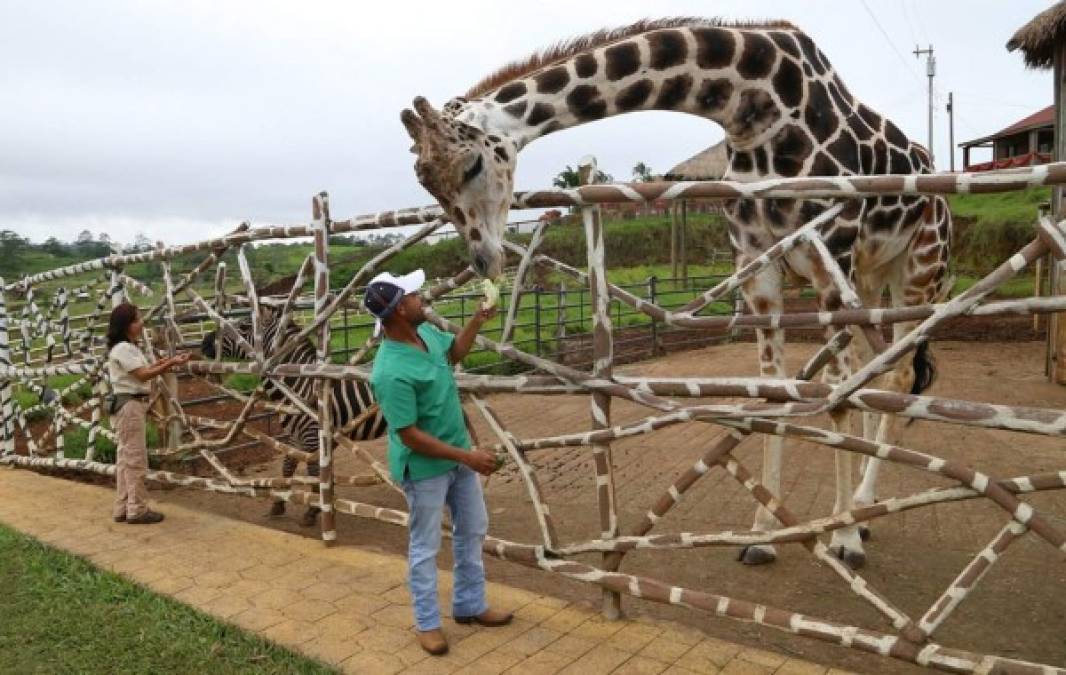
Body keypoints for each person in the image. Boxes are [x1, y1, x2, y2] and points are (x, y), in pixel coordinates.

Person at [366, 269, 511, 656]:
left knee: (473, 529)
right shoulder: (389, 371)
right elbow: (409, 435)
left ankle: (469, 604)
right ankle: (427, 622)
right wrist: (468, 456)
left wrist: (478, 320)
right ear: (398, 311)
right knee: (425, 545)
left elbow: (454, 353)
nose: (421, 299)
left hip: (459, 458)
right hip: (427, 468)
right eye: (412, 296)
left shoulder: (424, 334)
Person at [106, 302, 191, 524]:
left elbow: (143, 370)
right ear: (126, 325)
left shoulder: (129, 348)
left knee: (126, 459)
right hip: (130, 407)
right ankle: (137, 509)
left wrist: (166, 362)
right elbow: (143, 375)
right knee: (135, 459)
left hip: (128, 406)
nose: (141, 323)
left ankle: (123, 507)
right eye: (136, 320)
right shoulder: (123, 349)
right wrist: (171, 362)